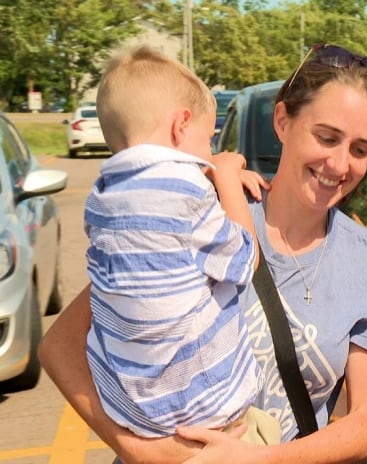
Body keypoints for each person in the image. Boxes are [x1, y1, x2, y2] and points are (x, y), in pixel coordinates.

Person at [39, 42, 367, 463]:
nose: (340, 165)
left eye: (360, 149)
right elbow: (60, 345)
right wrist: (137, 449)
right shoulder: (199, 213)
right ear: (283, 121)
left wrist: (255, 458)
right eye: (326, 137)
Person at [80, 45, 279, 445]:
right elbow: (246, 258)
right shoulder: (185, 190)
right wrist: (224, 175)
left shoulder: (101, 199)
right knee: (267, 432)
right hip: (205, 413)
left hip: (135, 413)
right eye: (208, 140)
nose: (209, 154)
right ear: (180, 125)